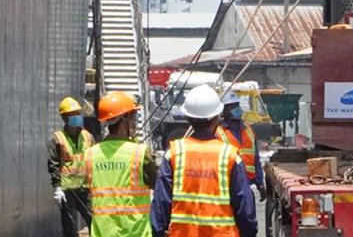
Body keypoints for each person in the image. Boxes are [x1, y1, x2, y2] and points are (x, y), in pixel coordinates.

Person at [150, 85, 256, 237]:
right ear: (217, 117)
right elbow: (245, 210)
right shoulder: (230, 156)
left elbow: (161, 205)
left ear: (187, 118)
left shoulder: (174, 153)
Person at [84, 91, 157, 237]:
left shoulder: (90, 154)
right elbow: (158, 185)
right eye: (133, 116)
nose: (134, 121)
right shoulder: (140, 153)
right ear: (124, 119)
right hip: (136, 233)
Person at [50, 95, 95, 237]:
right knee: (69, 226)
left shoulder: (88, 137)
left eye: (77, 114)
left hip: (86, 189)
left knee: (94, 220)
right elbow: (54, 164)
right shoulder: (57, 139)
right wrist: (57, 188)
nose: (76, 117)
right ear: (65, 118)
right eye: (72, 115)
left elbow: (95, 160)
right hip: (67, 190)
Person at [216, 91, 264, 197]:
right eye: (232, 106)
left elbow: (256, 159)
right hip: (227, 187)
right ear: (224, 110)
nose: (236, 109)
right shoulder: (218, 133)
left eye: (237, 105)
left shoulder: (248, 129)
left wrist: (260, 183)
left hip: (247, 185)